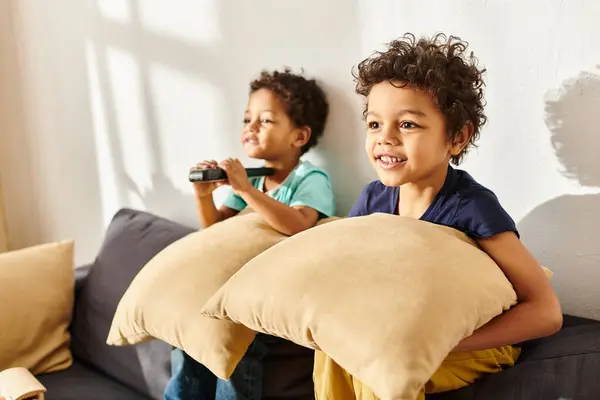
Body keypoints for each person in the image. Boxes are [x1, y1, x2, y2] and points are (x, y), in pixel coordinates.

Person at [313, 33, 562, 400]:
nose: (385, 138)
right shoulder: (373, 200)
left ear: (457, 138)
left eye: (408, 124)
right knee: (336, 350)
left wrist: (449, 343)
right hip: (402, 332)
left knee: (383, 363)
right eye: (374, 124)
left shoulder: (472, 207)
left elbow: (546, 312)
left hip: (471, 343)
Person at [164, 68, 335, 400]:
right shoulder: (252, 178)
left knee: (235, 348)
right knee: (189, 332)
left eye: (266, 120)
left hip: (268, 295)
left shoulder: (310, 177)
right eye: (247, 119)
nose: (251, 128)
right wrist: (203, 196)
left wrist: (245, 191)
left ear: (299, 137)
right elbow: (216, 231)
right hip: (231, 287)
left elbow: (299, 224)